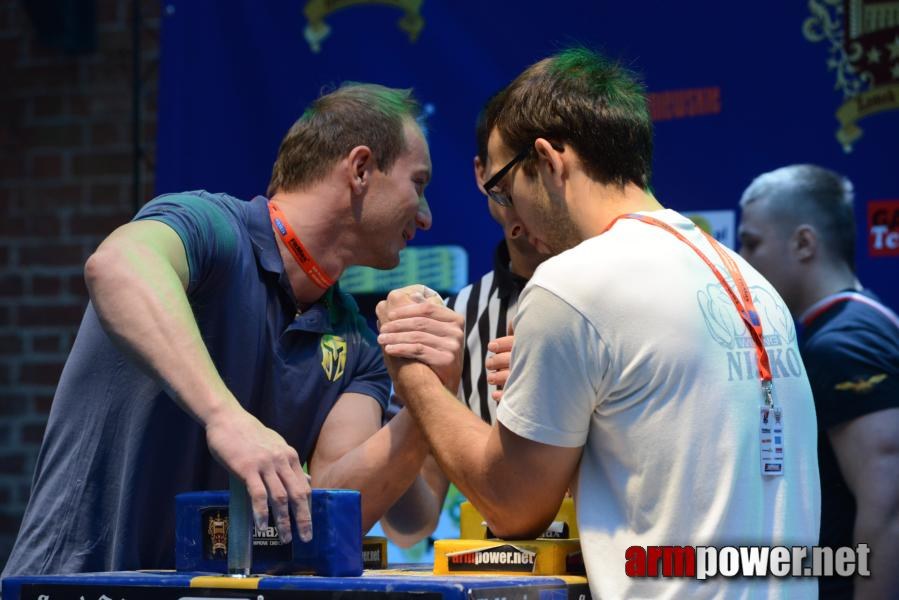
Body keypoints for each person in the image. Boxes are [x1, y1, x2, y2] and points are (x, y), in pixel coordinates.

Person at [376, 48, 820, 598]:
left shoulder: (573, 284)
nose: (514, 220)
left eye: (506, 190)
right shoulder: (748, 281)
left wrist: (412, 370)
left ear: (548, 161)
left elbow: (512, 506)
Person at [3, 83, 463, 576]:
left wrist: (431, 392)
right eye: (418, 183)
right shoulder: (211, 227)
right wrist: (226, 417)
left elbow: (336, 507)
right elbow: (115, 265)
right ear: (360, 169)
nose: (426, 216)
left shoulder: (355, 344)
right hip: (71, 582)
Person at [738, 164, 899, 599]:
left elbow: (888, 509)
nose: (741, 260)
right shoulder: (862, 321)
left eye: (752, 243)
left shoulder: (846, 343)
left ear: (804, 243)